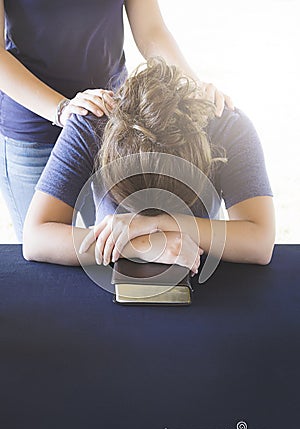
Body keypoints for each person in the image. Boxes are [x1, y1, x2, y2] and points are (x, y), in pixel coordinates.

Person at [0, 0, 233, 242]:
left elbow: (151, 30)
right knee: (46, 253)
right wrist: (61, 109)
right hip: (32, 131)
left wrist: (192, 89)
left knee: (117, 246)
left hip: (111, 127)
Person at [22, 58, 275, 273]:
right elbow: (36, 238)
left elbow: (259, 242)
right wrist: (145, 245)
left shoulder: (228, 127)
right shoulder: (93, 123)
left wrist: (158, 224)